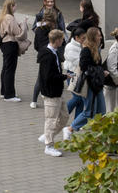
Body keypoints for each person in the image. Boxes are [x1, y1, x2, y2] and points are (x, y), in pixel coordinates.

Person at [37, 28, 69, 157]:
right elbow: (47, 76)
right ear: (56, 40)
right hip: (51, 93)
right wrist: (63, 77)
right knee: (51, 119)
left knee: (64, 116)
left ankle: (47, 135)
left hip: (57, 92)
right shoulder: (47, 56)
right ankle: (48, 145)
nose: (63, 41)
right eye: (61, 39)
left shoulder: (53, 52)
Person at [71, 27, 110, 132]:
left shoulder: (96, 49)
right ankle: (71, 128)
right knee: (89, 112)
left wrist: (101, 71)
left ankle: (98, 133)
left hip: (97, 84)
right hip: (89, 85)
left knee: (101, 111)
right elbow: (84, 67)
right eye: (98, 35)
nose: (101, 37)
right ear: (93, 37)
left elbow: (96, 65)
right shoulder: (86, 50)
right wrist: (100, 71)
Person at [0, 0, 29, 102]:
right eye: (15, 5)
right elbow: (19, 33)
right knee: (10, 70)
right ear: (11, 6)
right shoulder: (9, 17)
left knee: (5, 68)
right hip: (10, 44)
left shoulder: (2, 17)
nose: (16, 7)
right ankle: (9, 95)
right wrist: (24, 23)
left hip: (4, 44)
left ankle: (4, 91)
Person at [31, 8, 59, 108]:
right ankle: (44, 96)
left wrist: (41, 51)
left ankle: (34, 101)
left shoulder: (38, 29)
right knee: (44, 77)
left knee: (41, 77)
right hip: (50, 54)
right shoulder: (53, 30)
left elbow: (35, 45)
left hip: (42, 55)